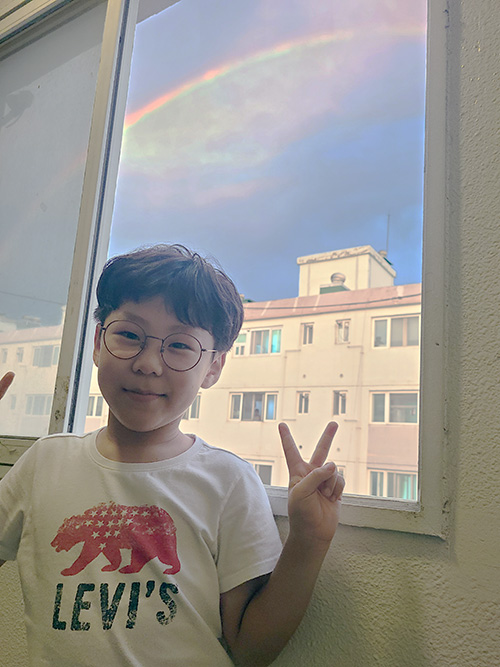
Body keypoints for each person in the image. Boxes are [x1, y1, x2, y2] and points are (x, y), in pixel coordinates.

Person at [0, 244, 344, 666]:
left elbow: (250, 649)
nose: (148, 363)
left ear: (213, 367)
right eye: (129, 335)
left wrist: (309, 540)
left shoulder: (228, 481)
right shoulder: (43, 464)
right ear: (98, 342)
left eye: (179, 346)